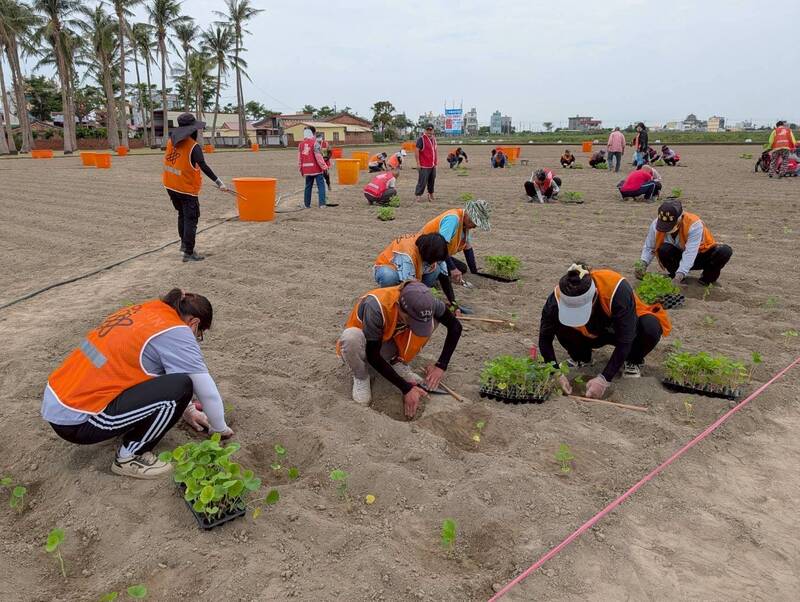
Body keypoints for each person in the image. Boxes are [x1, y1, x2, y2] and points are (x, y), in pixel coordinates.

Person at [41, 289, 233, 478]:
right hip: (78, 421)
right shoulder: (177, 331)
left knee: (164, 381)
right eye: (199, 334)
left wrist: (188, 409)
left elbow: (135, 366)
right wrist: (219, 428)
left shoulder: (147, 310)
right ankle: (130, 456)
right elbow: (206, 391)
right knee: (182, 385)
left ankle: (121, 423)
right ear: (194, 324)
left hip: (59, 398)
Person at [538, 263, 672, 394]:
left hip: (615, 329)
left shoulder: (616, 290)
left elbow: (626, 337)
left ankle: (632, 360)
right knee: (560, 324)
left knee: (650, 327)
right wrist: (555, 372)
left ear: (595, 295)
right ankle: (581, 357)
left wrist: (604, 378)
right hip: (587, 332)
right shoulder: (556, 300)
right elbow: (545, 337)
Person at [337, 282, 462, 418]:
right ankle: (361, 376)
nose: (417, 326)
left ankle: (397, 360)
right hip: (363, 346)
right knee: (351, 337)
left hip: (385, 342)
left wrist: (441, 366)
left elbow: (455, 327)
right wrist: (406, 388)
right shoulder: (376, 306)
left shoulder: (427, 302)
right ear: (399, 307)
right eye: (412, 320)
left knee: (434, 319)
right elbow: (373, 356)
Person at [162, 112, 228, 263]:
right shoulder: (193, 147)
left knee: (182, 215)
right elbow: (203, 166)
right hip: (186, 189)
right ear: (193, 130)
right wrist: (219, 183)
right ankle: (189, 253)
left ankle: (184, 245)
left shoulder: (171, 142)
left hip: (171, 185)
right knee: (191, 219)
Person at [636, 199, 733, 286]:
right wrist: (642, 264)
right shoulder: (656, 224)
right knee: (664, 249)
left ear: (680, 218)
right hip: (678, 255)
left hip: (700, 255)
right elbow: (649, 247)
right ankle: (675, 275)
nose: (666, 229)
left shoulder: (694, 224)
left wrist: (680, 274)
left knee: (724, 251)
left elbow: (690, 252)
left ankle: (706, 279)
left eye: (670, 225)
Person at [418, 200, 492, 286]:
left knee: (462, 268)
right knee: (444, 271)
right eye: (475, 223)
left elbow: (467, 247)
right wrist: (453, 269)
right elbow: (441, 246)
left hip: (438, 254)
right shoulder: (453, 219)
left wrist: (474, 271)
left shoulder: (465, 224)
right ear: (469, 215)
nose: (475, 226)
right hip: (425, 252)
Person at [373, 232, 457, 307]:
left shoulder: (436, 248)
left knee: (437, 269)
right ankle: (390, 299)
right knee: (389, 277)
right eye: (432, 260)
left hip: (412, 272)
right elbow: (408, 285)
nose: (433, 262)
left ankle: (421, 294)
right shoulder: (408, 254)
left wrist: (454, 304)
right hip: (388, 267)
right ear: (426, 255)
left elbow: (444, 277)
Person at [298, 125, 328, 208]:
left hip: (307, 170)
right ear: (313, 133)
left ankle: (306, 204)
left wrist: (301, 169)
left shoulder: (301, 145)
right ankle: (322, 204)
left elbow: (300, 159)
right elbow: (319, 157)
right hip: (316, 169)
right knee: (321, 186)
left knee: (308, 187)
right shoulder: (315, 144)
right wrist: (324, 167)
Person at [415, 124, 438, 202]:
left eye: (430, 130)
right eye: (427, 130)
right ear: (425, 130)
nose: (429, 131)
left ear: (433, 130)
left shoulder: (434, 139)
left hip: (432, 165)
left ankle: (431, 193)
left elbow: (434, 151)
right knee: (422, 181)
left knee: (432, 180)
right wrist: (418, 163)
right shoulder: (421, 139)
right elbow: (416, 150)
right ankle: (418, 195)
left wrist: (435, 162)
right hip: (424, 165)